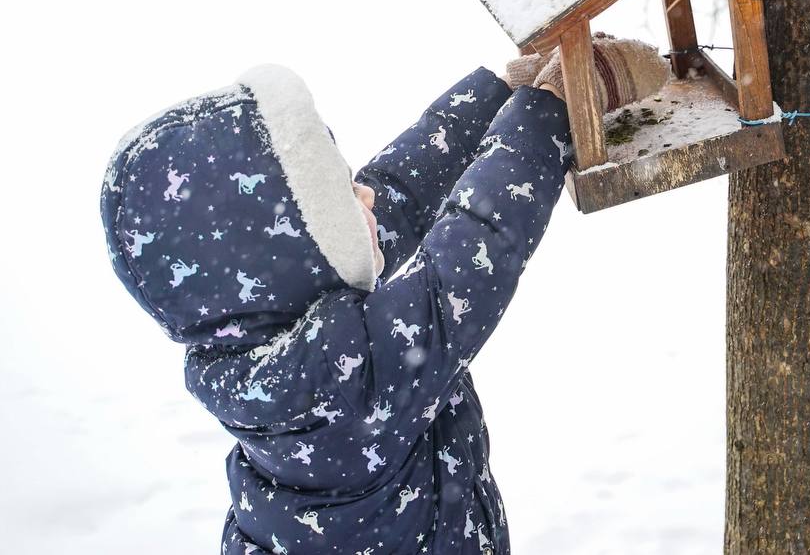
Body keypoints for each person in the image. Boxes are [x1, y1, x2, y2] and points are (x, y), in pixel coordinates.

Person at [99, 36, 668, 554]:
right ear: (295, 259)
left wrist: (499, 94)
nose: (365, 195)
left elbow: (396, 195)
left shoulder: (265, 341)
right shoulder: (339, 384)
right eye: (344, 194)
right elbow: (471, 255)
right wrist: (550, 113)